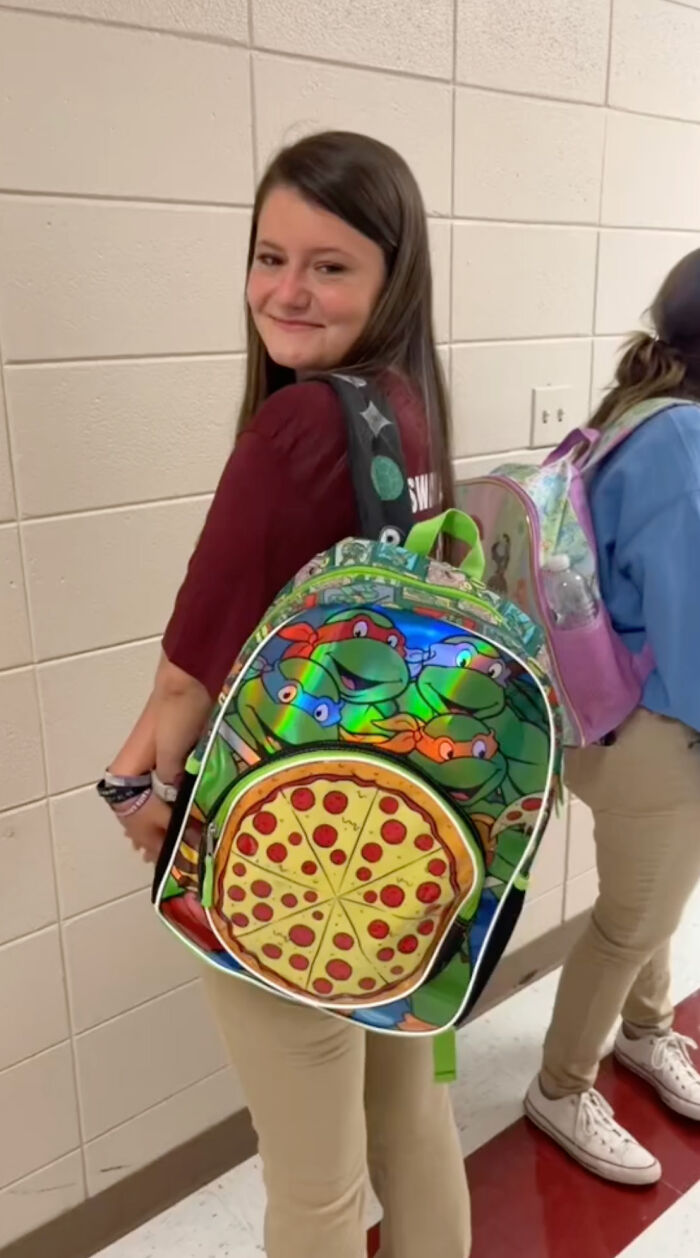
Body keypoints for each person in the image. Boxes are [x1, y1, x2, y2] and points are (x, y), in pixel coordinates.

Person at [103, 132, 470, 1258]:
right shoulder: (404, 408)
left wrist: (127, 788)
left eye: (330, 264)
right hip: (395, 832)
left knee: (312, 1182)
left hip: (284, 849)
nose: (287, 290)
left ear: (388, 275)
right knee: (410, 1114)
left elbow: (184, 675)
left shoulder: (297, 423)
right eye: (271, 255)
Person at [525, 249, 700, 1184]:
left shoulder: (639, 415)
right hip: (661, 731)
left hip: (608, 716)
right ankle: (560, 1086)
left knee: (658, 896)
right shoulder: (684, 440)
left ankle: (647, 1030)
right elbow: (694, 620)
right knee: (631, 920)